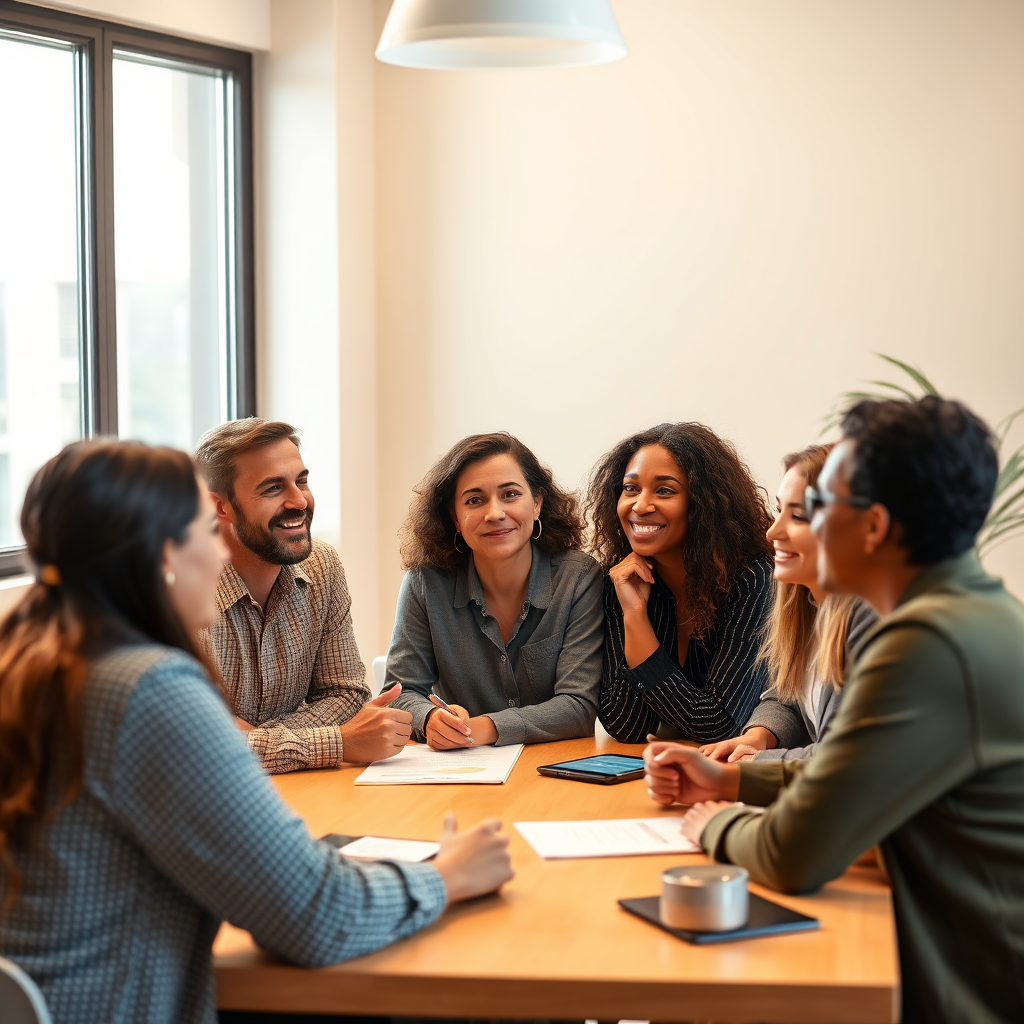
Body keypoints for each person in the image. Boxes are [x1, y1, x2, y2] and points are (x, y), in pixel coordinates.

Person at [0, 439, 513, 1024]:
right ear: (163, 555)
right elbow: (315, 917)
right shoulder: (150, 689)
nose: (221, 556)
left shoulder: (31, 661)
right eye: (204, 531)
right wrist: (445, 876)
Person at [644, 396, 1024, 1024]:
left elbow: (797, 853)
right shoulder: (969, 613)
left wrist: (711, 822)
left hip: (970, 989)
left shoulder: (925, 645)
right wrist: (736, 776)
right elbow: (860, 769)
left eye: (819, 507)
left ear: (871, 527)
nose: (791, 529)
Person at [194, 418, 411, 773]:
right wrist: (339, 741)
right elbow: (196, 743)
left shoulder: (321, 565)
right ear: (220, 507)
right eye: (272, 489)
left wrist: (251, 743)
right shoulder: (182, 590)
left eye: (302, 481)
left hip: (302, 791)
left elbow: (347, 696)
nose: (300, 501)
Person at [387, 432, 603, 748]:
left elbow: (579, 706)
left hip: (551, 770)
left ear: (537, 503)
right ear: (455, 518)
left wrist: (483, 728)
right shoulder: (425, 584)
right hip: (461, 777)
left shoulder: (578, 578)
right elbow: (400, 693)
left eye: (510, 494)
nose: (494, 513)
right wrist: (432, 720)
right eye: (475, 500)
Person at [587, 422, 775, 744]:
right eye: (631, 489)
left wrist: (635, 620)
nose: (640, 505)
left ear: (703, 504)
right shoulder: (623, 580)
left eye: (664, 490)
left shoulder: (753, 580)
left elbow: (718, 725)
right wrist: (634, 613)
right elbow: (626, 725)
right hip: (665, 766)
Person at [701, 445, 876, 762]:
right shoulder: (812, 604)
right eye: (779, 510)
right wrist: (757, 737)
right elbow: (788, 696)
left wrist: (753, 765)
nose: (772, 531)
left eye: (798, 516)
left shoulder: (872, 615)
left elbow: (843, 756)